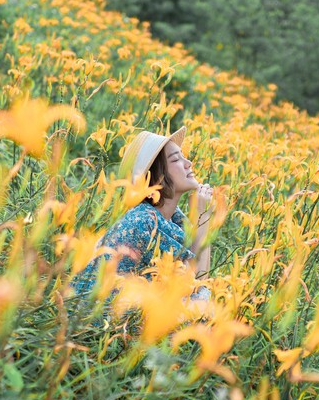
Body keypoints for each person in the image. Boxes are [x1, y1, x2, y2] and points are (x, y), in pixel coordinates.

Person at [70, 126, 213, 304]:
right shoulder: (143, 221)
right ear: (157, 176)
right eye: (176, 159)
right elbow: (198, 285)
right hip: (98, 321)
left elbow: (197, 280)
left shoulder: (173, 220)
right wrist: (204, 215)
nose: (188, 163)